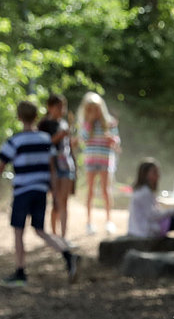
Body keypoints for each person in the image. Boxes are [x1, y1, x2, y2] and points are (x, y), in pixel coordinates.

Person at [1, 99, 78, 286]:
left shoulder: (15, 141)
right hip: (41, 190)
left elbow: (1, 164)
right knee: (40, 230)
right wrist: (54, 193)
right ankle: (68, 256)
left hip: (22, 191)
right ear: (36, 116)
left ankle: (20, 273)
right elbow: (52, 170)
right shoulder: (45, 140)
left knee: (18, 231)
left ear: (19, 117)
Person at [127, 160, 174, 251]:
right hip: (145, 230)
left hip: (141, 228)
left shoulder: (142, 190)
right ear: (146, 174)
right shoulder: (145, 192)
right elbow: (152, 215)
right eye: (155, 172)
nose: (158, 175)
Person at [77, 92, 120, 235]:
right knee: (90, 191)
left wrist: (112, 140)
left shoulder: (109, 122)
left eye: (96, 108)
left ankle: (109, 221)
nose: (94, 112)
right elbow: (83, 138)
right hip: (91, 160)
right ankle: (89, 222)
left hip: (105, 160)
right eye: (90, 109)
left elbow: (117, 140)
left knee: (106, 190)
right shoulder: (86, 123)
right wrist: (88, 124)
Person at [38, 94, 76, 240]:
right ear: (50, 107)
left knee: (64, 201)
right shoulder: (43, 125)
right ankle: (54, 235)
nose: (62, 109)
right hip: (52, 167)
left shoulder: (64, 124)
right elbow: (43, 145)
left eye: (63, 106)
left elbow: (69, 147)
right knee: (56, 202)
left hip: (66, 165)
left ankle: (63, 237)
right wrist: (59, 136)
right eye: (58, 106)